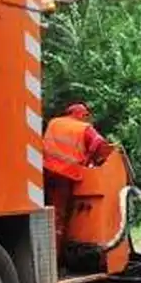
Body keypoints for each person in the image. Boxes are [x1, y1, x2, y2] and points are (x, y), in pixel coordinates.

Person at [42, 102, 113, 256]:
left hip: (45, 171)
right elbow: (99, 143)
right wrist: (89, 159)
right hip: (65, 174)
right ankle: (56, 258)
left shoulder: (54, 123)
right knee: (58, 216)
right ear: (82, 115)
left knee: (46, 212)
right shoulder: (83, 128)